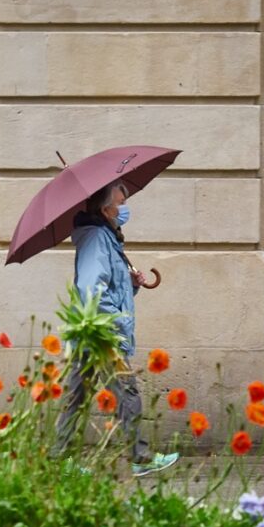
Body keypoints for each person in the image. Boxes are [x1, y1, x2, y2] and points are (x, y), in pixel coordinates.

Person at [52, 181, 179, 477]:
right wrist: (115, 323)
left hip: (91, 329)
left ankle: (60, 459)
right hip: (101, 332)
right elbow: (91, 289)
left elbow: (108, 286)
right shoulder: (97, 237)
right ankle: (141, 457)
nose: (123, 209)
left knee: (77, 393)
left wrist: (131, 284)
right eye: (119, 203)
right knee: (127, 391)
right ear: (103, 208)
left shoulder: (106, 237)